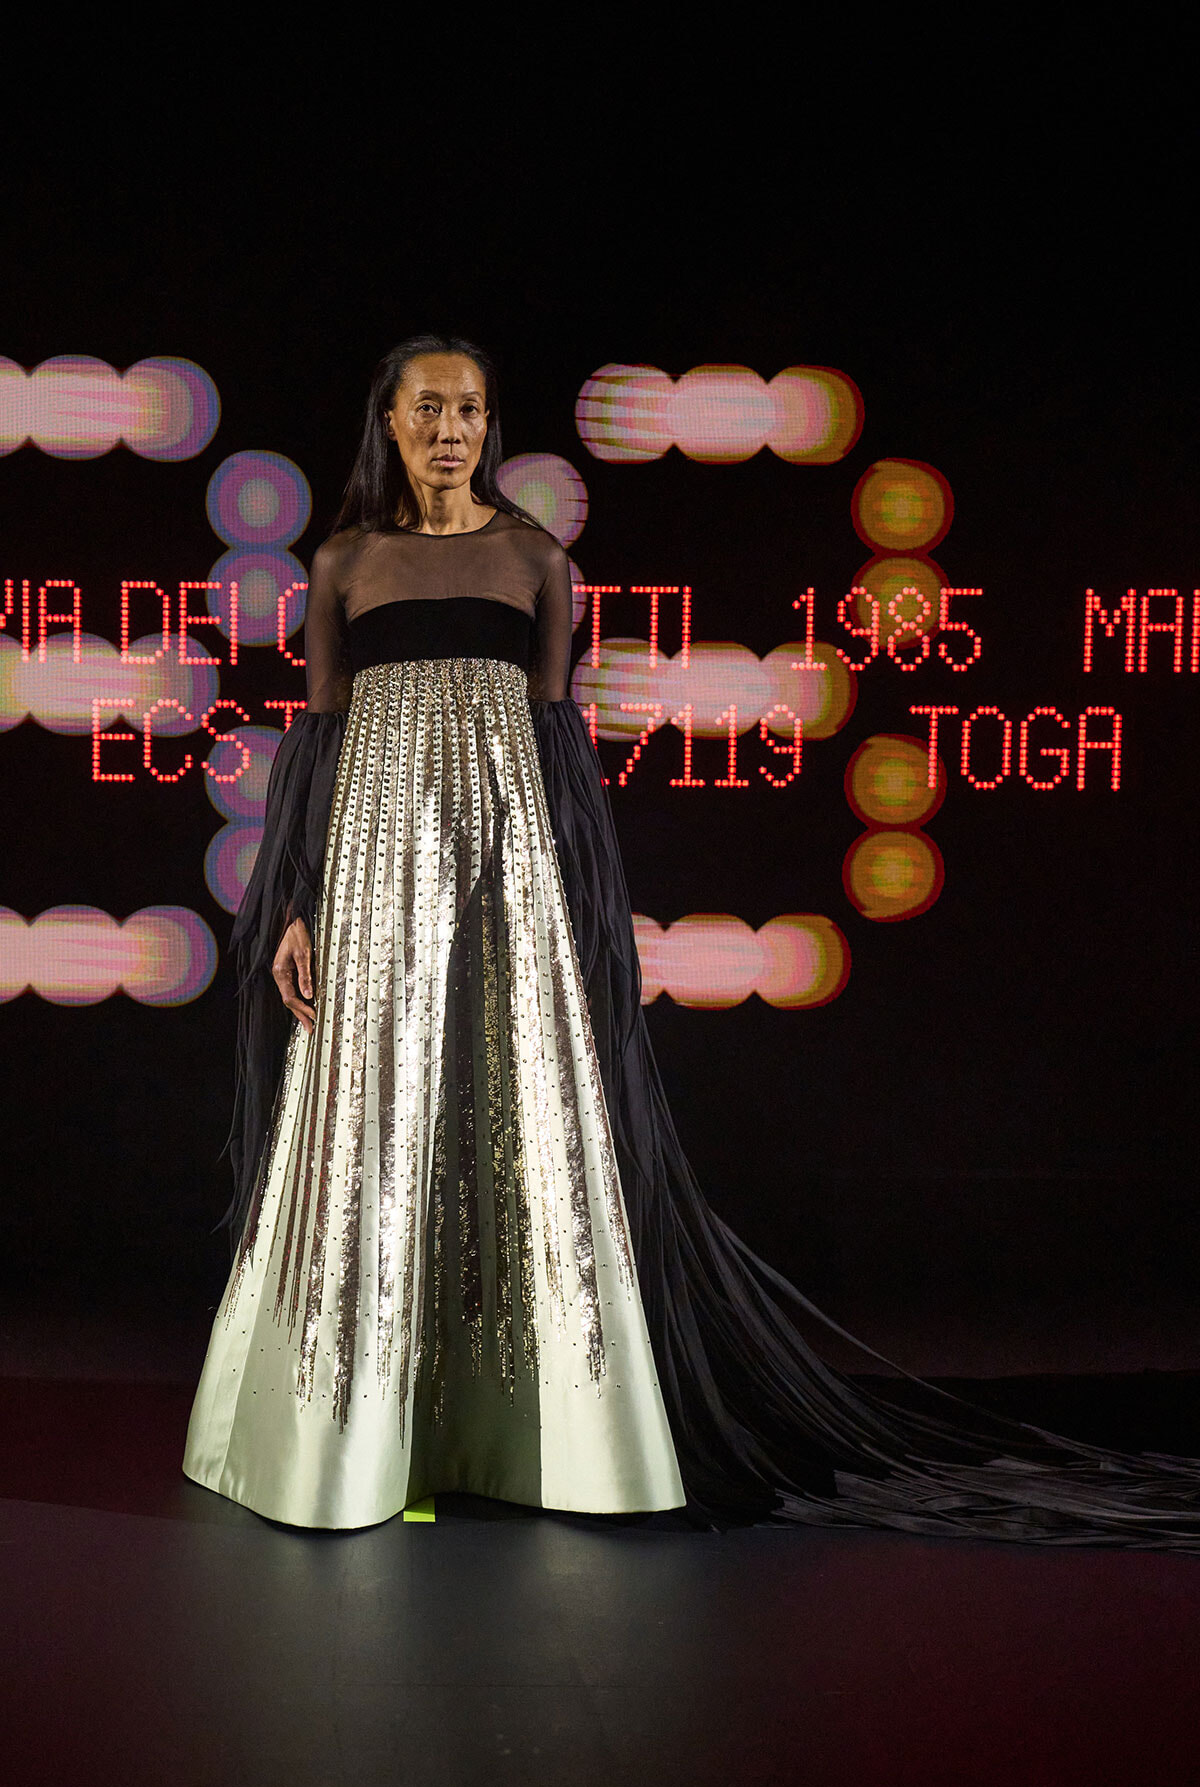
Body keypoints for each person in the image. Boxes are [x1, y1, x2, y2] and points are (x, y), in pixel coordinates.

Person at [185, 335, 1199, 1547]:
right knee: (377, 1126)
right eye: (427, 408)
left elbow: (560, 756)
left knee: (521, 1129)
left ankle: (522, 1433)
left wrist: (569, 922)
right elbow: (320, 744)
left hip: (509, 887)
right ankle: (362, 1434)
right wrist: (295, 899)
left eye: (469, 407)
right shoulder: (345, 561)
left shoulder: (533, 559)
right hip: (369, 889)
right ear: (388, 423)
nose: (450, 427)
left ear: (487, 423)